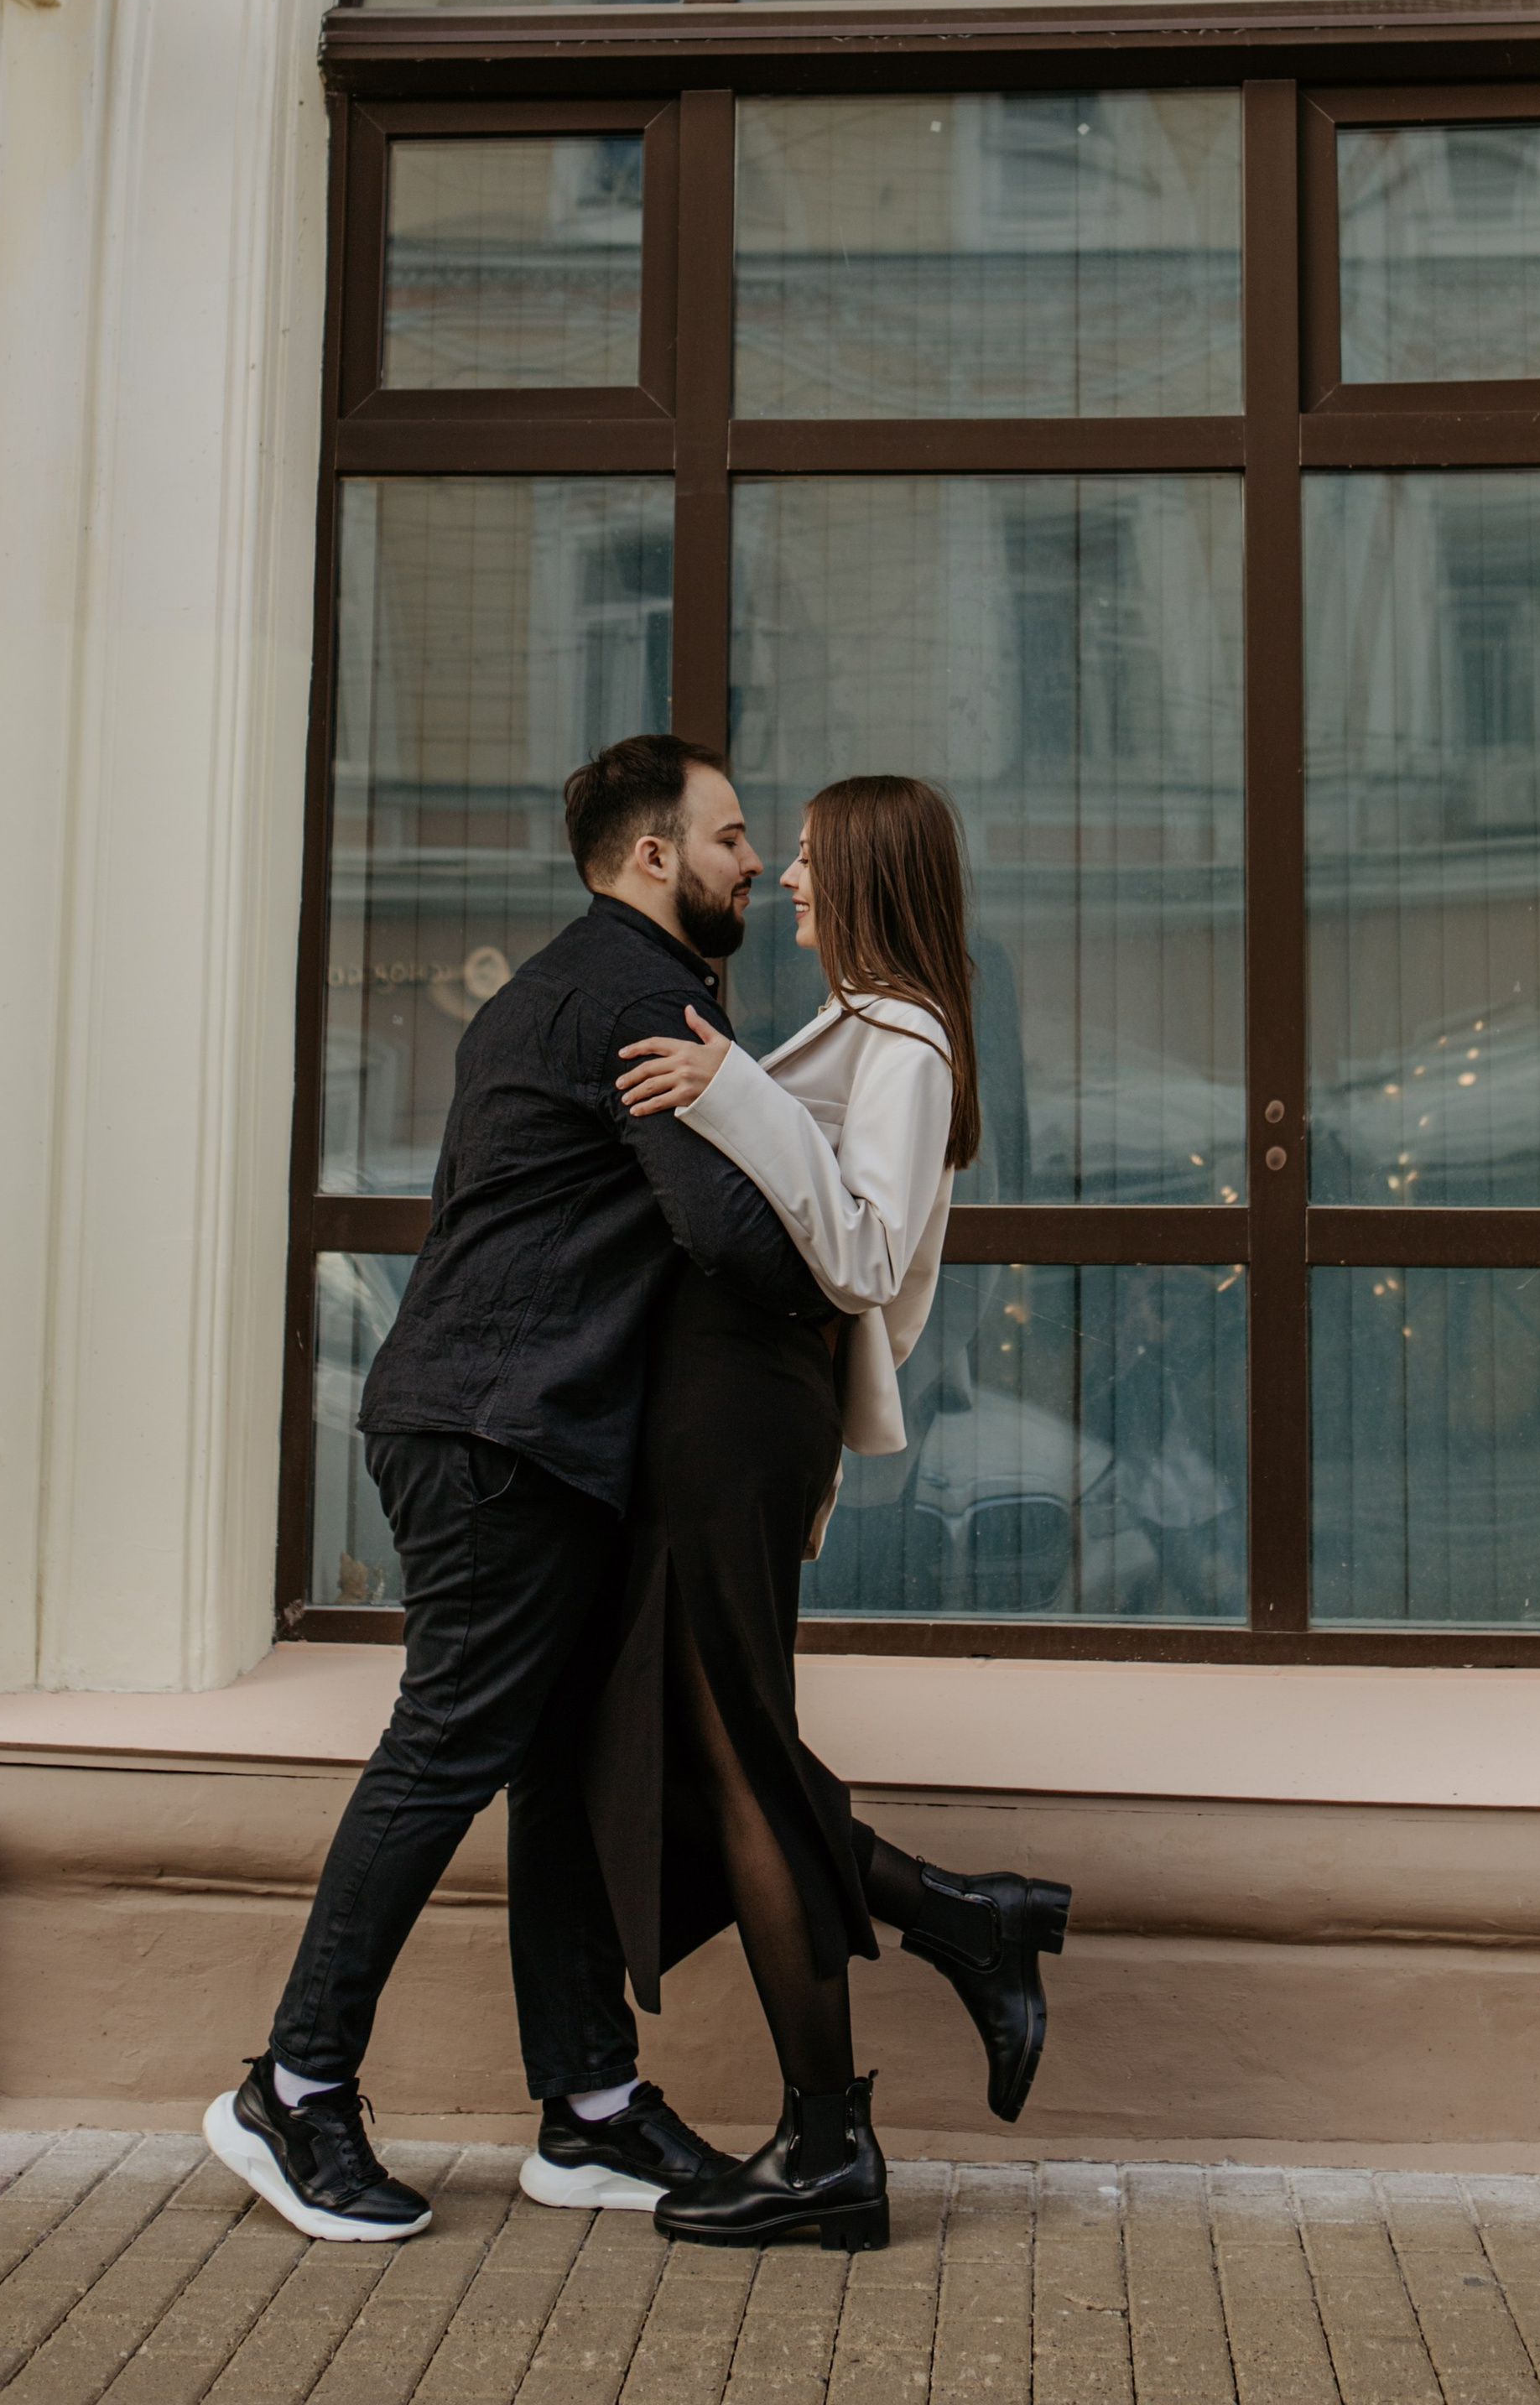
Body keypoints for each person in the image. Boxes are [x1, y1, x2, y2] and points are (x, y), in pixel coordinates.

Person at [205, 737, 843, 2242]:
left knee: (560, 1764)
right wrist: (854, 1230)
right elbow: (731, 1233)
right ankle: (293, 2089)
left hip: (509, 1424)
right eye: (732, 836)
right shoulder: (637, 998)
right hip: (503, 1434)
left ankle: (592, 2107)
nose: (755, 861)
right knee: (449, 1746)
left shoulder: (553, 986)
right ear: (653, 857)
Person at [593, 775, 1073, 2255]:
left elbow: (863, 1252)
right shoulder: (864, 1027)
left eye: (809, 857)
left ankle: (829, 2143)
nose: (789, 878)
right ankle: (955, 1924)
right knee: (720, 1745)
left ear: (867, 872)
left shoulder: (909, 1039)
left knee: (738, 1753)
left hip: (746, 1421)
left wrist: (726, 1087)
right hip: (731, 1415)